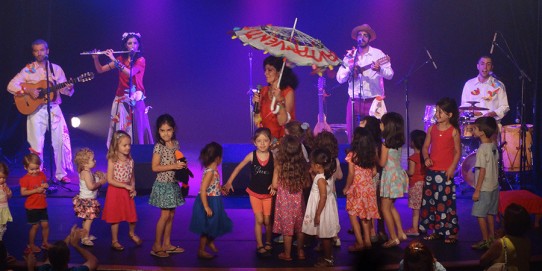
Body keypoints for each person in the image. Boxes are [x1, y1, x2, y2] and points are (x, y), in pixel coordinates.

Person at [7, 39, 74, 183]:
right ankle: (38, 173)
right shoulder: (28, 69)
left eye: (42, 50)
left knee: (60, 141)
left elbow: (65, 91)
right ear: (33, 52)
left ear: (47, 51)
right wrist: (29, 90)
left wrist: (69, 88)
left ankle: (60, 174)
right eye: (36, 50)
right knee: (36, 143)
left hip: (54, 108)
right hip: (35, 111)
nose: (39, 53)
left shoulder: (56, 69)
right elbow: (11, 85)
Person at [92, 32, 154, 147]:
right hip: (121, 98)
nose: (133, 46)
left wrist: (114, 60)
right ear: (125, 45)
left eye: (135, 43)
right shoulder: (120, 58)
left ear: (138, 45)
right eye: (129, 43)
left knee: (137, 130)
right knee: (121, 130)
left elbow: (130, 73)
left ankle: (139, 157)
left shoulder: (141, 60)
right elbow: (100, 70)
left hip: (136, 99)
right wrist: (96, 58)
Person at [336, 24, 393, 141]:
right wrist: (349, 69)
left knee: (374, 134)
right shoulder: (350, 55)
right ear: (356, 38)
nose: (362, 37)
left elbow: (390, 74)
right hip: (354, 101)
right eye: (360, 35)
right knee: (353, 135)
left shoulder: (378, 54)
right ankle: (354, 158)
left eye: (365, 35)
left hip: (373, 101)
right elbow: (339, 79)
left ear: (369, 38)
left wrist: (380, 69)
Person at [223, 128, 274, 257]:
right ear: (255, 142)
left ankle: (268, 242)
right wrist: (229, 182)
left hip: (268, 194)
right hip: (255, 193)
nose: (262, 144)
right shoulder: (252, 155)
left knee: (267, 220)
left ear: (270, 142)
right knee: (259, 219)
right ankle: (259, 245)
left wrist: (275, 184)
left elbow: (278, 170)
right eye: (259, 141)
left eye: (265, 141)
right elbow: (239, 167)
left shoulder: (273, 156)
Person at [420, 97, 461, 244]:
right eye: (436, 111)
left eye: (440, 112)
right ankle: (436, 231)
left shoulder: (454, 131)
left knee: (447, 203)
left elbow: (457, 152)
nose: (437, 114)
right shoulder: (431, 129)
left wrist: (452, 168)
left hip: (445, 173)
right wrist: (426, 158)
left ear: (449, 115)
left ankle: (451, 232)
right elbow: (425, 147)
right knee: (432, 202)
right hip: (432, 172)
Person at [149, 114, 186, 258]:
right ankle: (156, 246)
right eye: (162, 130)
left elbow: (178, 158)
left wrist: (182, 165)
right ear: (158, 131)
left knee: (171, 215)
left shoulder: (175, 143)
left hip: (173, 183)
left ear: (173, 129)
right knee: (164, 216)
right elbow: (154, 167)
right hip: (163, 185)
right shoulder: (159, 147)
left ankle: (167, 244)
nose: (166, 133)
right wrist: (174, 166)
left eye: (168, 130)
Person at [189, 142, 233, 259]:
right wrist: (206, 206)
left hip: (215, 200)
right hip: (208, 201)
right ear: (218, 158)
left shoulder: (214, 170)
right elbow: (203, 190)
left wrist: (221, 189)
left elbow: (215, 185)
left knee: (216, 224)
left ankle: (209, 241)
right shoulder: (210, 172)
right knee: (207, 226)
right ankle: (201, 250)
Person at [101, 130, 142, 251]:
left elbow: (132, 176)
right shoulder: (112, 160)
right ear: (116, 146)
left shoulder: (130, 160)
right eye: (124, 145)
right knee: (115, 217)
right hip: (115, 191)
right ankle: (114, 241)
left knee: (132, 215)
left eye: (129, 145)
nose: (128, 147)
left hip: (127, 190)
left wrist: (132, 187)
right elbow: (110, 179)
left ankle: (132, 233)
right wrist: (125, 186)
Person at [270, 135, 309, 261]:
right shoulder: (302, 166)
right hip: (299, 203)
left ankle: (287, 254)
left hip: (284, 202)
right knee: (300, 227)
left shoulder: (279, 166)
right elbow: (307, 184)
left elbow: (275, 184)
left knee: (287, 228)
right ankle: (301, 251)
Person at [343, 127, 379, 251]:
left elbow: (351, 174)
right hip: (369, 189)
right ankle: (367, 241)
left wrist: (346, 187)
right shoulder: (371, 155)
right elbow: (374, 172)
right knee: (366, 215)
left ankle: (359, 242)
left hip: (356, 188)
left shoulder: (352, 155)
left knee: (353, 214)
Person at [302, 148, 340, 268]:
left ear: (318, 165)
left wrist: (318, 214)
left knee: (325, 237)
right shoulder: (324, 174)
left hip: (322, 210)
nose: (310, 165)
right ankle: (327, 256)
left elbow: (323, 197)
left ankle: (328, 259)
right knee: (324, 235)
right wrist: (313, 174)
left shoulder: (321, 179)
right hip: (325, 208)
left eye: (312, 164)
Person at [378, 112, 408, 248]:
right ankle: (401, 233)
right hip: (397, 176)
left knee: (384, 209)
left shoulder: (385, 144)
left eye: (382, 123)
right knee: (391, 207)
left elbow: (383, 163)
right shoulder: (398, 144)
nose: (380, 125)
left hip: (389, 177)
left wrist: (375, 156)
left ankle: (393, 237)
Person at [252, 55, 298, 140]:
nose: (265, 73)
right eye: (265, 70)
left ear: (279, 72)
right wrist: (256, 106)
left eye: (270, 70)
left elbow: (283, 122)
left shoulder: (288, 92)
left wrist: (280, 99)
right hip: (266, 141)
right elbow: (257, 121)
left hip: (284, 142)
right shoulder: (263, 91)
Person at [470, 117, 500, 250]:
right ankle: (492, 238)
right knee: (490, 213)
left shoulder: (482, 149)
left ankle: (485, 239)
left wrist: (477, 190)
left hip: (485, 188)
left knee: (480, 214)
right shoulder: (493, 146)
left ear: (482, 132)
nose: (473, 130)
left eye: (475, 128)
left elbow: (482, 170)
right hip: (494, 186)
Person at [313, 131, 343, 248]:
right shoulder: (335, 161)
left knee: (320, 217)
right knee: (332, 216)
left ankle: (322, 241)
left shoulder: (317, 163)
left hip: (319, 195)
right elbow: (340, 176)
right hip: (332, 194)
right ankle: (335, 237)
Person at [360, 115, 387, 243]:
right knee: (378, 204)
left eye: (363, 121)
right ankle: (380, 230)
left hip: (371, 176)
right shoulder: (378, 142)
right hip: (378, 175)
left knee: (371, 204)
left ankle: (372, 232)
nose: (360, 123)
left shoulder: (370, 143)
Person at [480, 203, 531, 271]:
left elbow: (483, 261)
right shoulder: (527, 242)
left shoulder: (500, 243)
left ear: (507, 222)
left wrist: (496, 241)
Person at [25, 225, 99, 271]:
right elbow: (93, 261)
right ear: (69, 258)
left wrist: (30, 268)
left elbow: (54, 254)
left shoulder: (44, 269)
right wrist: (75, 245)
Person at [72, 148, 106, 247]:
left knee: (87, 219)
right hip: (87, 200)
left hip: (88, 199)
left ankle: (84, 234)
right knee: (89, 219)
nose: (95, 161)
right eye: (92, 160)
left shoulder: (88, 171)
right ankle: (84, 238)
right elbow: (91, 187)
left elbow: (92, 179)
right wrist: (100, 182)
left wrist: (97, 175)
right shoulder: (85, 173)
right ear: (85, 164)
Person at [460, 56, 509, 122]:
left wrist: (492, 113)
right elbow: (464, 106)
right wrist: (471, 112)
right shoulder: (469, 84)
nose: (485, 67)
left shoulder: (499, 85)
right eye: (482, 64)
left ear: (492, 67)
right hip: (473, 123)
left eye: (488, 64)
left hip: (491, 124)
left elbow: (504, 107)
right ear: (478, 66)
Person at [19, 153, 50, 253]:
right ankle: (31, 245)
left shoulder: (42, 174)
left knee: (45, 225)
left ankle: (45, 243)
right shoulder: (25, 179)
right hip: (32, 207)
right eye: (32, 169)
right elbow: (23, 192)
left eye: (37, 168)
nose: (35, 171)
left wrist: (46, 186)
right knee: (35, 226)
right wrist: (36, 191)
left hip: (42, 205)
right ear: (25, 167)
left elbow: (44, 185)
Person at [405, 130, 427, 237]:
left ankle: (414, 228)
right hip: (425, 184)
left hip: (415, 185)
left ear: (413, 142)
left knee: (416, 209)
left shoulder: (413, 158)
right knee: (423, 207)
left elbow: (411, 172)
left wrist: (404, 171)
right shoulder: (426, 156)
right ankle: (422, 227)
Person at [0, 162, 13, 269]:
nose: (2, 180)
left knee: (2, 233)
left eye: (4, 178)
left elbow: (9, 196)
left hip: (3, 212)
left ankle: (4, 254)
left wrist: (8, 193)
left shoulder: (4, 185)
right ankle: (3, 254)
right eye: (0, 178)